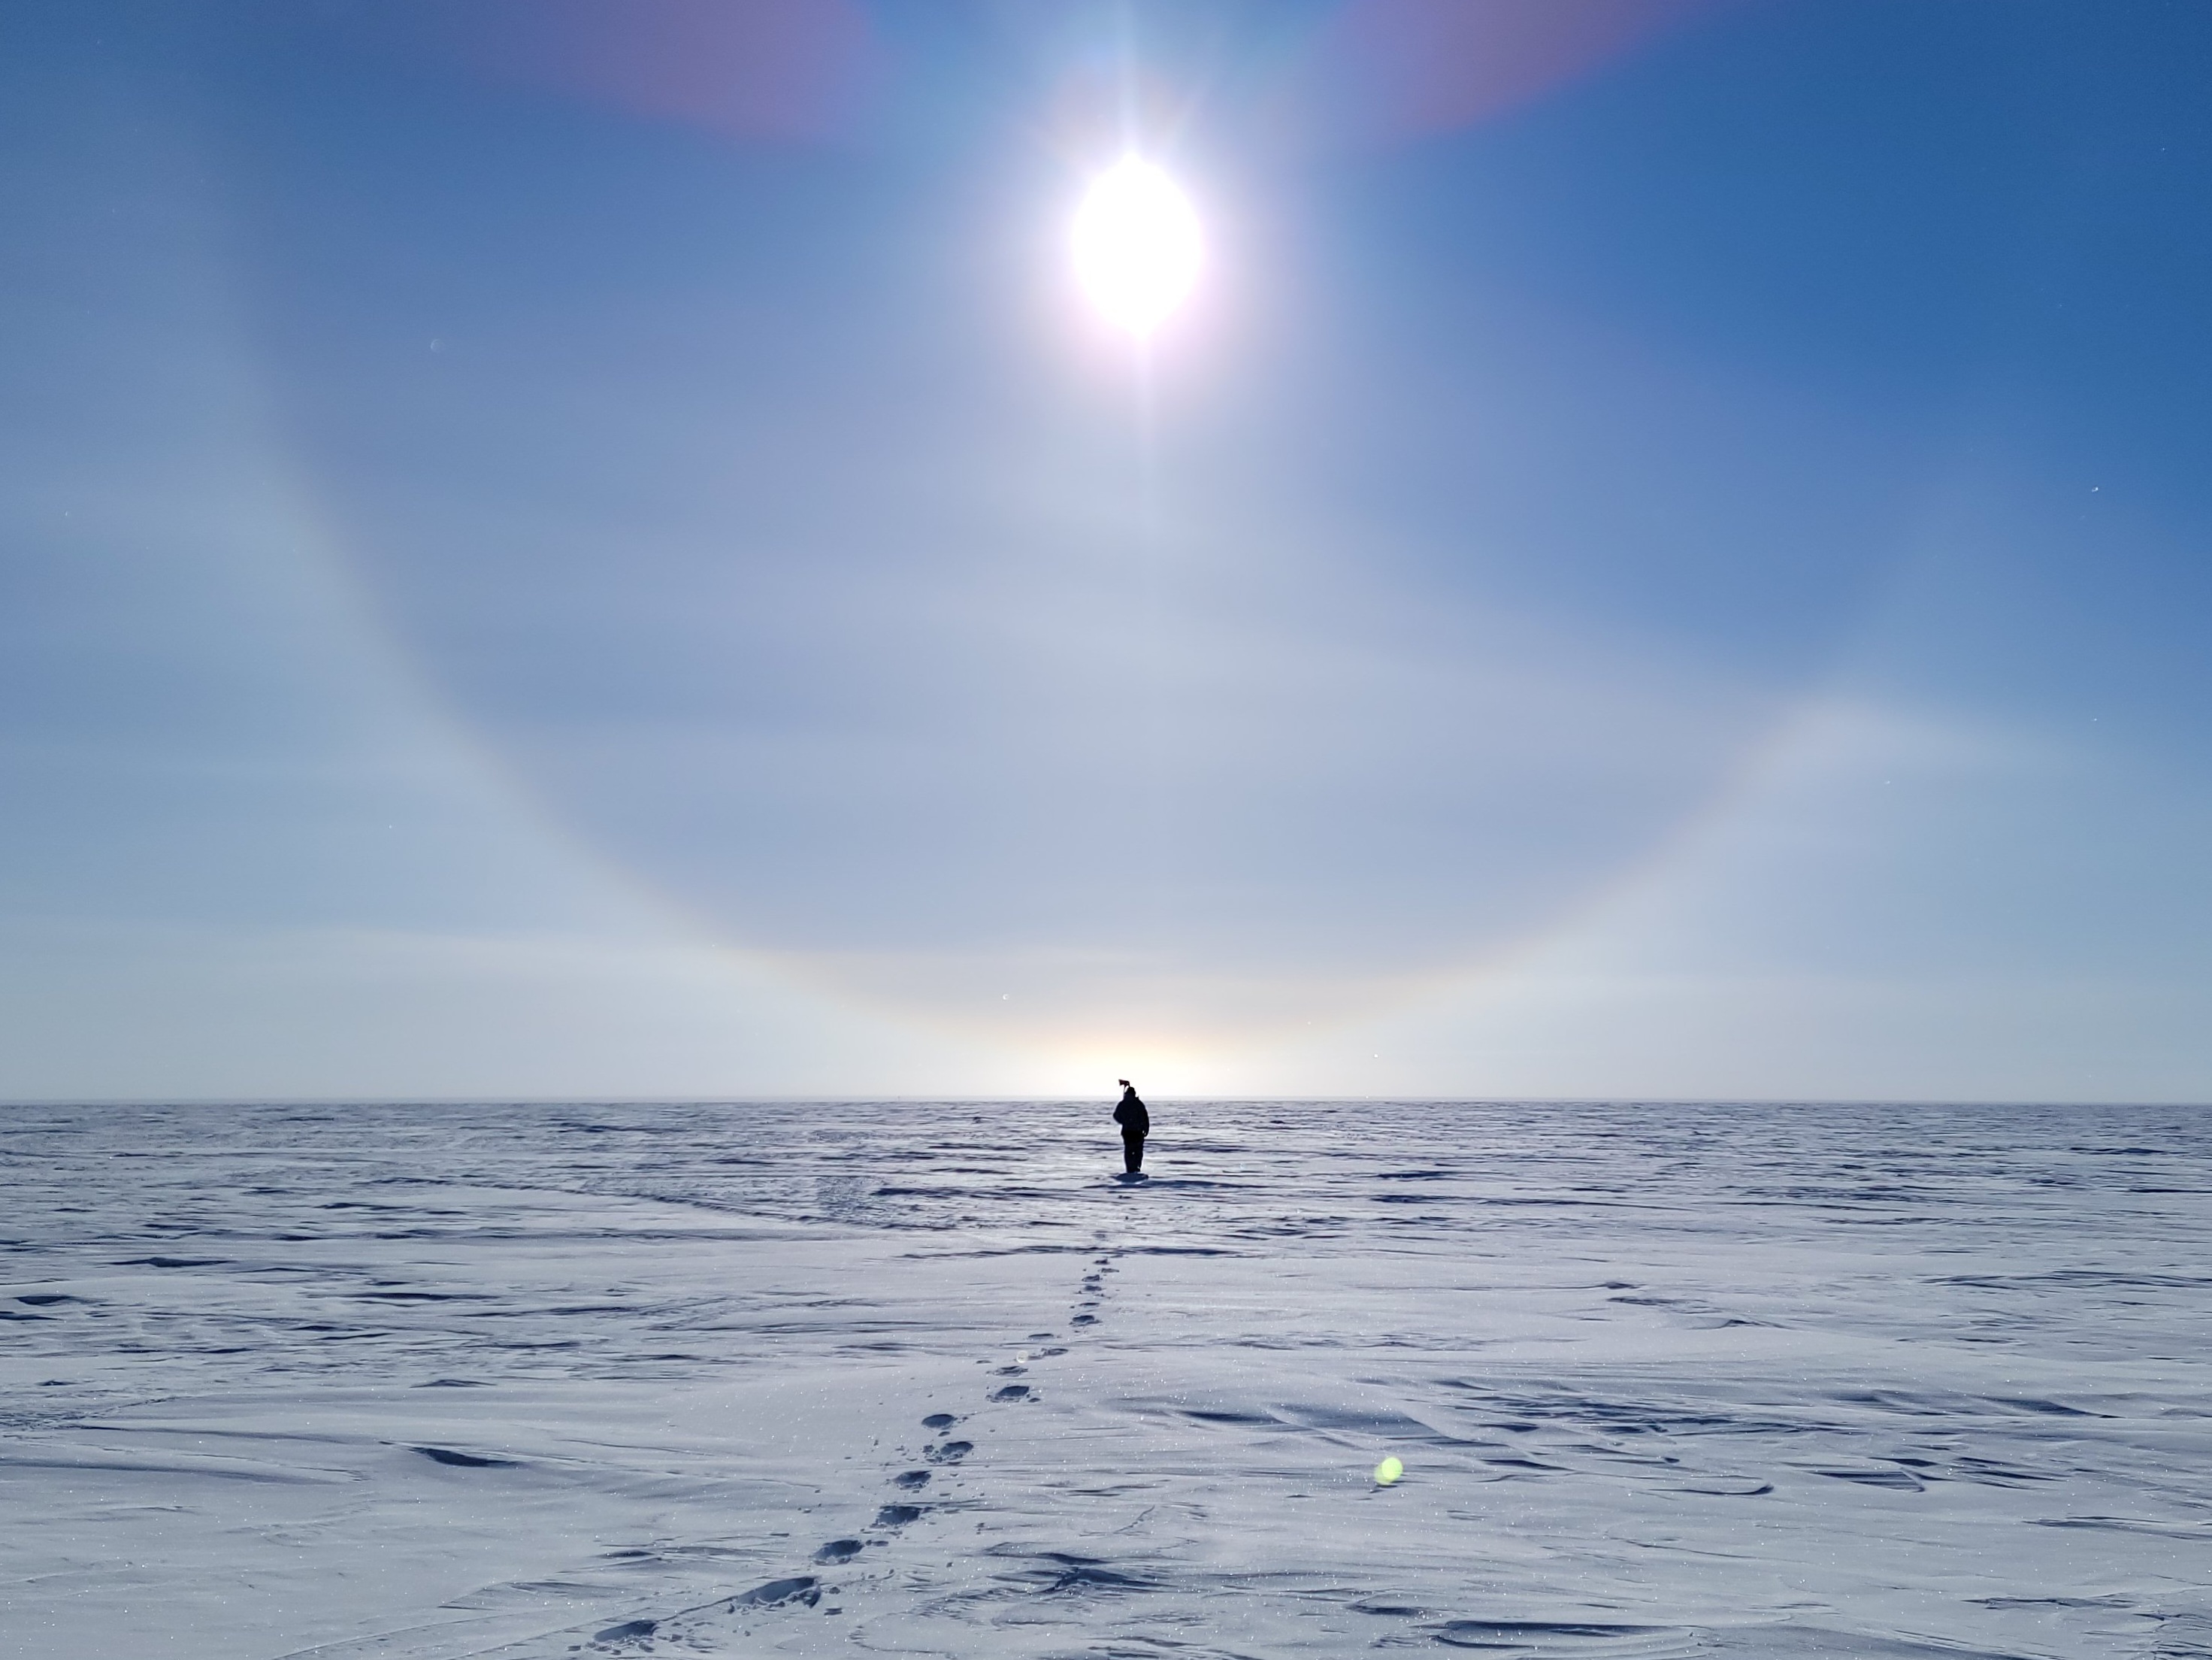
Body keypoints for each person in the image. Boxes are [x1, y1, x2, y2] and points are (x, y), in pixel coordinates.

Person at [1112, 1080, 1149, 1174]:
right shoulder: (1138, 1104)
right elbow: (1145, 1118)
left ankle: (1130, 1168)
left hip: (1127, 1131)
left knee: (1129, 1150)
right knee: (1137, 1151)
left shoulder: (1123, 1104)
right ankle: (1136, 1168)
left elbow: (1116, 1116)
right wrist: (1146, 1128)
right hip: (1137, 1131)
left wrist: (1124, 1122)